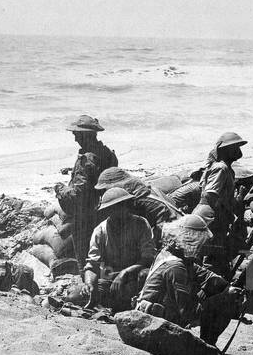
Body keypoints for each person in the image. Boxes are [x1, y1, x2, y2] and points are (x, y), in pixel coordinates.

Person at [135, 214, 244, 345]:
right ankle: (207, 347)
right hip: (153, 324)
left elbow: (209, 277)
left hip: (154, 317)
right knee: (225, 302)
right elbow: (188, 313)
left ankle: (207, 347)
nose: (205, 247)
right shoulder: (176, 267)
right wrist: (225, 297)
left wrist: (227, 287)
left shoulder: (174, 255)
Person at [54, 115, 118, 269]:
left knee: (86, 259)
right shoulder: (107, 153)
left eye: (77, 135)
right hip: (106, 209)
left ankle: (89, 286)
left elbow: (78, 195)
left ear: (85, 135)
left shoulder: (86, 159)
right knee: (104, 254)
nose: (75, 139)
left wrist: (60, 189)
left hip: (86, 216)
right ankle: (103, 283)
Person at [83, 187, 157, 312]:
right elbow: (92, 264)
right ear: (108, 211)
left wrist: (125, 273)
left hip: (134, 277)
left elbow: (148, 258)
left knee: (144, 275)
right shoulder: (100, 231)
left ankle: (134, 305)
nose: (120, 211)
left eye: (122, 206)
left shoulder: (141, 224)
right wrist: (89, 283)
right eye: (114, 208)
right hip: (110, 278)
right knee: (79, 295)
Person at [194, 132, 247, 276]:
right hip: (211, 216)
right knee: (212, 256)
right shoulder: (221, 168)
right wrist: (227, 211)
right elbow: (210, 195)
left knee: (214, 255)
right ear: (226, 150)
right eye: (235, 147)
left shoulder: (227, 169)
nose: (238, 151)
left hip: (213, 215)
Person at [95, 167, 182, 242]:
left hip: (174, 234)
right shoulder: (141, 192)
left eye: (105, 190)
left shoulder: (142, 200)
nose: (104, 193)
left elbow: (164, 228)